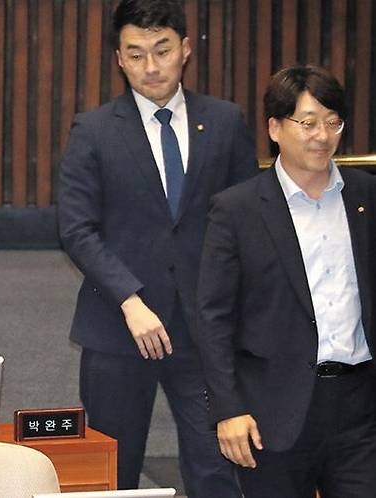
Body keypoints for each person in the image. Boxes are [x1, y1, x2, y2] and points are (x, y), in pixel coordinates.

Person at [57, 0, 258, 493]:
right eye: (136, 53)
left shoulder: (226, 121)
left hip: (204, 329)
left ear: (185, 50)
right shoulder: (95, 130)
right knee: (114, 473)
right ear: (119, 60)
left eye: (162, 50)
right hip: (119, 328)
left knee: (217, 468)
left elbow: (249, 224)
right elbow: (76, 229)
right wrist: (129, 299)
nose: (151, 66)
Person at [195, 64, 376, 498]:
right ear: (275, 128)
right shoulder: (237, 210)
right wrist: (228, 408)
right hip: (273, 413)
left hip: (360, 409)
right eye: (308, 122)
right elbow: (213, 317)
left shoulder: (365, 196)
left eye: (333, 123)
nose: (322, 135)